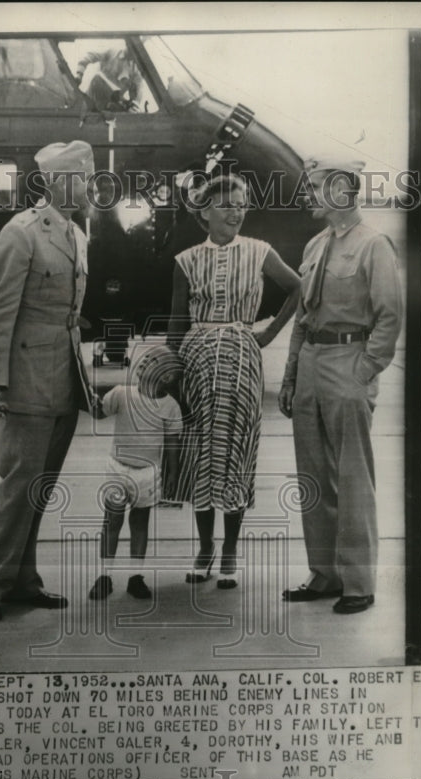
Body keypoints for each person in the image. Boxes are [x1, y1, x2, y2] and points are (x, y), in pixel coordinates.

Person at [0, 140, 95, 623]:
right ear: (59, 181)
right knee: (18, 486)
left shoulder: (76, 235)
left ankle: (24, 579)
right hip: (25, 377)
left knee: (40, 487)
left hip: (63, 376)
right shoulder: (21, 233)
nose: (89, 186)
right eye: (82, 178)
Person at [279, 156, 403, 614]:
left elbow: (390, 316)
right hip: (312, 363)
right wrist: (291, 374)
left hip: (348, 362)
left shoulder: (375, 246)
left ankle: (359, 583)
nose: (307, 193)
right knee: (313, 476)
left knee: (352, 476)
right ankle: (325, 573)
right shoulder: (314, 246)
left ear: (341, 190)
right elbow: (303, 316)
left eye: (313, 185)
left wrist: (365, 370)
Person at [167, 173, 300, 588]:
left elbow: (297, 287)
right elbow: (176, 322)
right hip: (197, 359)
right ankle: (205, 547)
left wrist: (267, 334)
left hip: (242, 356)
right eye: (226, 204)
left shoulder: (260, 251)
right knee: (200, 452)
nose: (236, 211)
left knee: (236, 451)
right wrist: (172, 373)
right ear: (204, 212)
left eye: (241, 204)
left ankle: (229, 549)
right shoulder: (186, 260)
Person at [89, 345, 183, 601]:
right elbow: (99, 412)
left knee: (140, 525)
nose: (144, 361)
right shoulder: (121, 394)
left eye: (153, 360)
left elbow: (173, 443)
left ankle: (135, 576)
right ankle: (104, 576)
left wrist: (172, 473)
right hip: (118, 468)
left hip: (149, 474)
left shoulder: (170, 407)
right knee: (112, 523)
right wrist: (86, 397)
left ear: (166, 377)